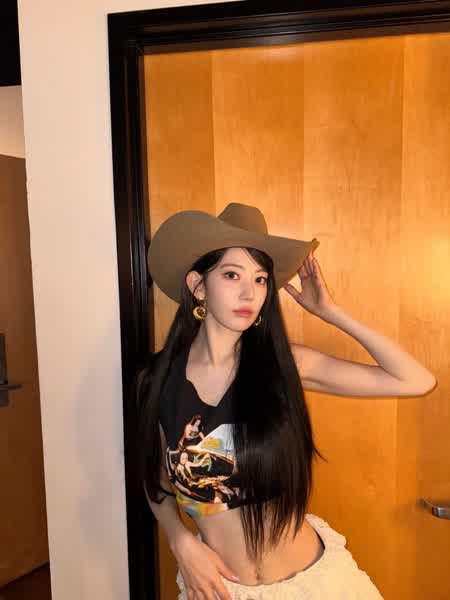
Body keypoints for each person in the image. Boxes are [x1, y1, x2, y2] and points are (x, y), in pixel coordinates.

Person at [135, 203, 436, 600]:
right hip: (221, 590)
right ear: (198, 285)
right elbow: (156, 481)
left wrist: (330, 312)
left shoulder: (283, 364)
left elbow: (416, 380)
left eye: (261, 279)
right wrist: (179, 540)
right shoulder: (158, 379)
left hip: (314, 586)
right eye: (232, 275)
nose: (250, 292)